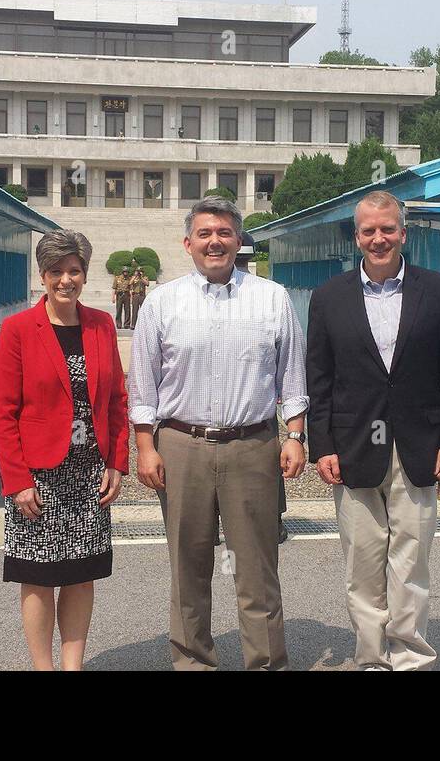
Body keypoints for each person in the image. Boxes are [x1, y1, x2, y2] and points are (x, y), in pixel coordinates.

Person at [130, 195, 308, 671]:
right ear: (188, 243)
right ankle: (193, 662)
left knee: (257, 570)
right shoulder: (161, 302)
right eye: (205, 234)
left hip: (253, 446)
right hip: (181, 445)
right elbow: (143, 386)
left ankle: (266, 662)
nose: (215, 242)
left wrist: (295, 434)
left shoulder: (271, 298)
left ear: (238, 241)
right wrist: (145, 447)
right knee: (188, 570)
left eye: (225, 233)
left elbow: (291, 374)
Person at [306, 190, 440, 670]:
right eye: (368, 231)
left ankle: (411, 656)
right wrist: (323, 446)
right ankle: (372, 659)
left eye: (388, 229)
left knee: (411, 559)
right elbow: (319, 378)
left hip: (419, 443)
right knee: (363, 560)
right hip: (354, 443)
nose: (378, 239)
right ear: (356, 236)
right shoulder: (329, 296)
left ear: (403, 231)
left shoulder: (437, 290)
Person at [0, 229, 128, 671]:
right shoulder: (17, 329)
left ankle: (73, 664)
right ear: (43, 276)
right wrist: (17, 481)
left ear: (85, 274)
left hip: (89, 472)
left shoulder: (101, 324)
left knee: (80, 572)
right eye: (56, 272)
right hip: (38, 475)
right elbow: (3, 411)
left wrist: (116, 462)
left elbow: (117, 400)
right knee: (36, 575)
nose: (66, 280)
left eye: (74, 270)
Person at [234, 233, 288, 545]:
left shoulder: (266, 295)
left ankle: (273, 519)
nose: (239, 266)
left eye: (242, 261)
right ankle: (271, 521)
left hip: (258, 398)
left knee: (268, 468)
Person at [127, 265, 149, 329]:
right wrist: (135, 276)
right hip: (135, 296)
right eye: (138, 271)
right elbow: (130, 283)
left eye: (141, 271)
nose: (139, 272)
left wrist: (141, 277)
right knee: (134, 311)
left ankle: (143, 325)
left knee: (143, 311)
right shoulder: (134, 277)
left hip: (142, 295)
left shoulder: (145, 278)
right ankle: (133, 324)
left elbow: (147, 284)